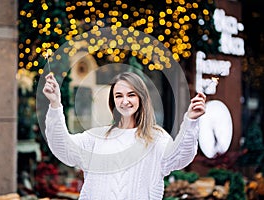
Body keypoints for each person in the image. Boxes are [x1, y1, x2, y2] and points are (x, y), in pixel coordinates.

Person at [43, 71, 206, 199]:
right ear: (113, 102)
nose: (124, 101)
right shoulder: (97, 138)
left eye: (131, 95)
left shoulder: (156, 138)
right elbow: (63, 147)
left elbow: (180, 157)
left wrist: (190, 121)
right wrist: (55, 104)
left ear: (142, 98)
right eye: (118, 96)